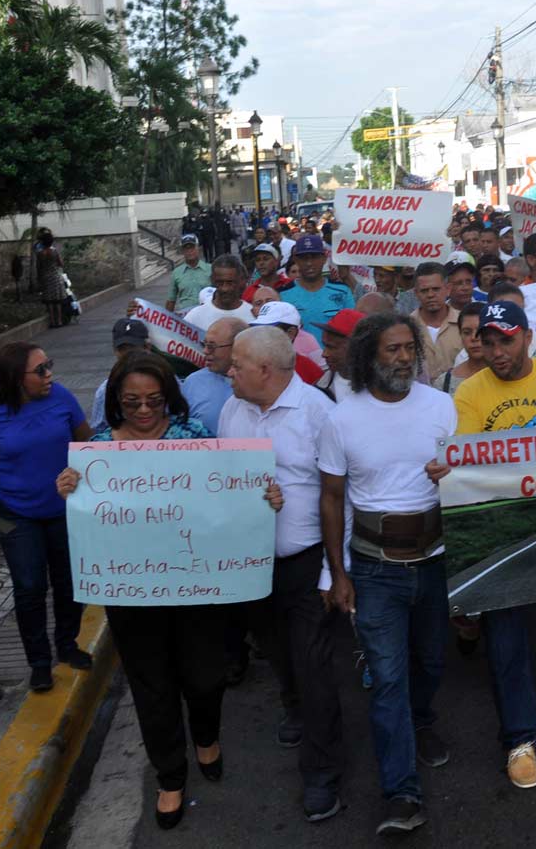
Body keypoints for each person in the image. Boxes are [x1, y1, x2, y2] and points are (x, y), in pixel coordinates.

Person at [55, 352, 282, 830]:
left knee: (204, 677)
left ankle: (206, 736)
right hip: (133, 597)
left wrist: (264, 498)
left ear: (168, 399)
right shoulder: (97, 451)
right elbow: (89, 520)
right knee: (151, 687)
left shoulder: (194, 438)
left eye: (153, 401)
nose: (142, 410)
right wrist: (71, 489)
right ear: (116, 400)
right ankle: (170, 776)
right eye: (132, 401)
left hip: (197, 589)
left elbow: (229, 502)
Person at [435, 301, 536, 790]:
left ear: (526, 337)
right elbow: (468, 462)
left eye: (506, 340)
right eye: (488, 341)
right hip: (501, 534)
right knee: (505, 643)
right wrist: (450, 469)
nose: (496, 351)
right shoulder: (469, 393)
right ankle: (519, 740)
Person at [318, 314, 458, 835]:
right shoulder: (341, 418)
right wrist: (339, 574)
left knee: (429, 661)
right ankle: (401, 793)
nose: (403, 358)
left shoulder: (442, 406)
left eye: (408, 349)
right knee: (388, 678)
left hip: (437, 560)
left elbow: (467, 476)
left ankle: (422, 721)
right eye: (391, 350)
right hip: (374, 570)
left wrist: (455, 471)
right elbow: (331, 500)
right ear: (366, 359)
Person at [220, 326, 347, 822]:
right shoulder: (233, 410)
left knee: (314, 665)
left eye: (237, 365)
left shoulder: (319, 413)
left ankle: (322, 772)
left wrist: (333, 575)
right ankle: (293, 705)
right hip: (252, 564)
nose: (228, 371)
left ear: (265, 371)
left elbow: (343, 496)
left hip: (305, 563)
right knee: (276, 650)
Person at [0, 342, 93, 692]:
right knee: (29, 587)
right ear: (15, 377)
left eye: (49, 365)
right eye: (40, 370)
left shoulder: (63, 399)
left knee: (69, 582)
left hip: (64, 511)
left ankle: (67, 645)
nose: (49, 374)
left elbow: (88, 445)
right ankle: (39, 662)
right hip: (12, 515)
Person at [281, 234, 356, 340]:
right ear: (296, 260)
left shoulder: (342, 291)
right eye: (304, 258)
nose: (309, 263)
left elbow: (352, 329)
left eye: (314, 257)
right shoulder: (282, 294)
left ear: (324, 258)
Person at [180, 317, 247, 434]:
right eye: (204, 344)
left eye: (211, 346)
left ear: (237, 346)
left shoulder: (260, 381)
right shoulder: (193, 382)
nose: (205, 351)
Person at [90, 319, 150, 434]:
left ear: (147, 347)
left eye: (133, 348)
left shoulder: (168, 381)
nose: (128, 354)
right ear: (114, 350)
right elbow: (98, 431)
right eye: (122, 349)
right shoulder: (105, 391)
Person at [250, 301, 325, 384]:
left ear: (291, 333)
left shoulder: (309, 370)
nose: (261, 335)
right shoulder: (248, 364)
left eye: (269, 330)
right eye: (259, 329)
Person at [411, 262, 461, 379]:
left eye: (436, 289)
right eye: (424, 290)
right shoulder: (406, 327)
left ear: (448, 289)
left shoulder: (464, 325)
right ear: (416, 293)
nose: (430, 295)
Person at [183, 255, 255, 329]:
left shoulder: (253, 316)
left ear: (240, 281)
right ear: (212, 281)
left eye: (230, 283)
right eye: (220, 283)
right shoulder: (194, 318)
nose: (225, 289)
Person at [433, 302, 486, 395]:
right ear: (460, 335)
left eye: (480, 331)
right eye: (467, 332)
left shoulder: (508, 375)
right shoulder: (445, 383)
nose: (474, 337)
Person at [314, 309, 366, 403]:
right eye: (324, 346)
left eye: (332, 347)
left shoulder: (385, 391)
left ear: (357, 347)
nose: (324, 354)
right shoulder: (318, 388)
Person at [166, 233, 213, 314]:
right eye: (186, 249)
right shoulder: (177, 273)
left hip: (207, 313)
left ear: (198, 248)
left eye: (192, 247)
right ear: (182, 251)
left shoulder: (210, 269)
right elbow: (171, 300)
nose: (189, 251)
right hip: (186, 317)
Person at [34, 227, 68, 328]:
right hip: (55, 277)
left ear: (43, 242)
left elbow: (38, 267)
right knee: (57, 300)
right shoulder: (55, 252)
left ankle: (52, 322)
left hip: (46, 278)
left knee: (49, 301)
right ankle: (60, 321)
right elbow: (61, 264)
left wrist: (39, 279)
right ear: (51, 242)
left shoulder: (39, 254)